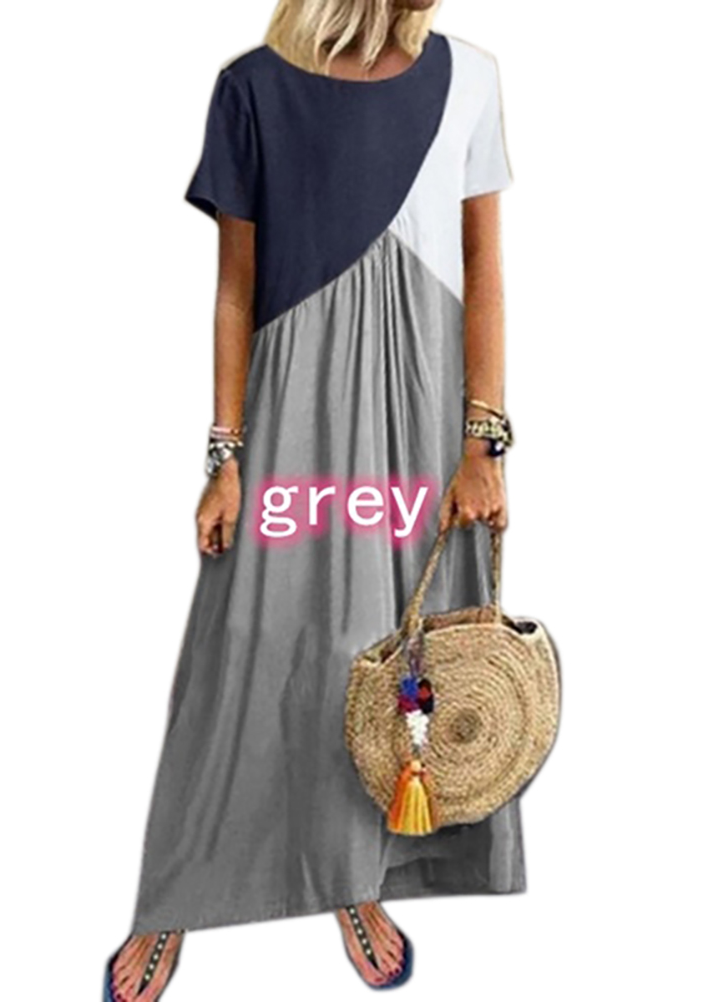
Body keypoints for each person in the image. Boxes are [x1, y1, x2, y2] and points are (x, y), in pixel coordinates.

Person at [104, 1, 522, 997]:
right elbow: (235, 289)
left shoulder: (472, 78)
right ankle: (173, 898)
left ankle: (352, 873)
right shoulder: (251, 89)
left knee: (390, 653)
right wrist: (225, 455)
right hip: (292, 408)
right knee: (244, 650)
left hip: (422, 415)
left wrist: (484, 442)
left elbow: (484, 266)